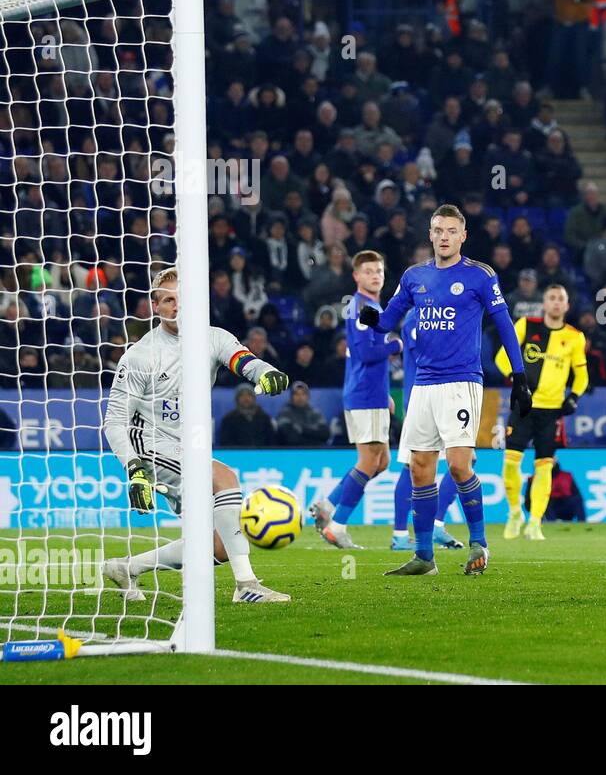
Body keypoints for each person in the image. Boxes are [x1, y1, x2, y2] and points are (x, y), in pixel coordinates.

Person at [101, 267, 293, 603]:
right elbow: (114, 421)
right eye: (169, 300)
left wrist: (269, 372)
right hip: (151, 446)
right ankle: (246, 585)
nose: (177, 306)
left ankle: (126, 568)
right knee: (224, 477)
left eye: (183, 298)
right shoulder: (140, 356)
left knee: (217, 545)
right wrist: (133, 466)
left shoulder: (214, 337)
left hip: (189, 447)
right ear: (156, 306)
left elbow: (247, 362)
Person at [359, 205, 531, 576]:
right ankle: (424, 557)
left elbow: (504, 324)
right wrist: (372, 322)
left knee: (457, 464)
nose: (444, 237)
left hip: (461, 381)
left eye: (451, 231)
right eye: (438, 230)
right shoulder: (414, 276)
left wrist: (519, 375)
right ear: (430, 234)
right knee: (420, 468)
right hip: (423, 384)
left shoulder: (480, 276)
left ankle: (479, 544)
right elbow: (389, 320)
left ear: (463, 235)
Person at [309, 250, 402, 549]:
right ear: (356, 276)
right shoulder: (361, 307)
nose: (376, 275)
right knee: (369, 460)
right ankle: (337, 524)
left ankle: (328, 505)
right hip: (364, 394)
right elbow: (364, 353)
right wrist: (395, 345)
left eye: (379, 270)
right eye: (369, 271)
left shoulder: (369, 305)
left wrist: (384, 393)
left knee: (382, 461)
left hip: (371, 393)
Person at [494, 283, 588, 540]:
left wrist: (574, 397)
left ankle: (535, 522)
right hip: (523, 407)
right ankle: (515, 513)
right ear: (544, 303)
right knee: (511, 462)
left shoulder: (575, 337)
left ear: (567, 306)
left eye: (561, 298)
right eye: (552, 298)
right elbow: (502, 358)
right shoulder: (526, 325)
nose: (557, 302)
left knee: (544, 467)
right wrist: (517, 382)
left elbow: (581, 375)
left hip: (551, 412)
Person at [389, 306, 465, 552]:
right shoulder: (416, 316)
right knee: (413, 464)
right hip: (423, 397)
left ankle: (433, 526)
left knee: (463, 459)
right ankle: (403, 534)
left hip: (445, 396)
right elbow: (427, 352)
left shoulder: (442, 313)